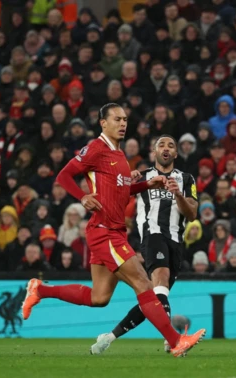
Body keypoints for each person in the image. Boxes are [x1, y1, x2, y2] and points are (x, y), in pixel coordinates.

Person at [21, 103, 204, 357]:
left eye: (125, 119)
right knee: (143, 281)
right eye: (117, 119)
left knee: (99, 297)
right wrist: (82, 197)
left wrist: (146, 184)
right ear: (103, 123)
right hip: (104, 230)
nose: (122, 123)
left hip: (114, 231)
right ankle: (175, 341)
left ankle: (40, 289)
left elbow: (122, 191)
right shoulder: (96, 148)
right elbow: (63, 176)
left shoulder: (119, 155)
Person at [91, 134, 198, 354]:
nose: (166, 148)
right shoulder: (143, 177)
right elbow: (114, 195)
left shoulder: (186, 179)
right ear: (155, 151)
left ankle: (108, 337)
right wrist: (125, 182)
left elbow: (193, 213)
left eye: (171, 145)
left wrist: (177, 195)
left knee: (155, 296)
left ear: (176, 153)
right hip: (152, 236)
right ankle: (173, 341)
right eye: (161, 144)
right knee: (160, 280)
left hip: (176, 241)